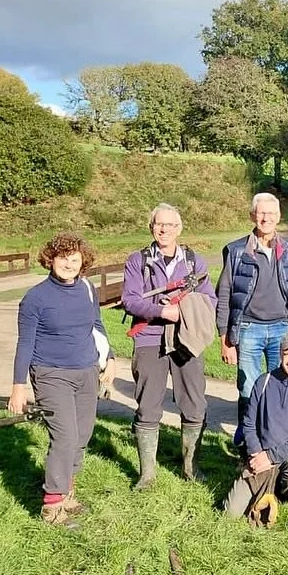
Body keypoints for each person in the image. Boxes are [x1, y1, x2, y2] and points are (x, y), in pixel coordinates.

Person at [9, 233, 114, 526]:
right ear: (50, 260)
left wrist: (111, 359)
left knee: (82, 435)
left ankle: (68, 492)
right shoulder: (35, 299)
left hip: (87, 371)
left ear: (83, 262)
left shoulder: (87, 289)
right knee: (65, 437)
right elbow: (25, 343)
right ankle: (52, 506)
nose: (68, 263)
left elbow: (97, 325)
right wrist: (18, 388)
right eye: (62, 257)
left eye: (74, 258)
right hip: (50, 373)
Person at [121, 203, 217, 489]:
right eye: (158, 224)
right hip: (149, 337)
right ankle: (147, 475)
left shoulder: (193, 262)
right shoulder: (137, 260)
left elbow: (209, 299)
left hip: (187, 339)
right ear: (151, 228)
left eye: (170, 225)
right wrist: (161, 311)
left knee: (194, 402)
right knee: (148, 404)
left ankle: (191, 468)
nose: (164, 229)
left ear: (180, 228)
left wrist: (183, 310)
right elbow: (130, 299)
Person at [216, 193, 288, 443]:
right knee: (248, 386)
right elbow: (224, 294)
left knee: (281, 384)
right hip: (248, 329)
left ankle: (277, 436)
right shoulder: (236, 251)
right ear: (252, 216)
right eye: (261, 213)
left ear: (279, 218)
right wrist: (225, 337)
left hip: (281, 329)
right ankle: (247, 436)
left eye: (271, 214)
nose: (265, 218)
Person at [222, 331, 288, 519]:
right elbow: (248, 423)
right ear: (280, 353)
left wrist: (271, 456)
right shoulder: (263, 382)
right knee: (230, 512)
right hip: (263, 453)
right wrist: (257, 453)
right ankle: (271, 485)